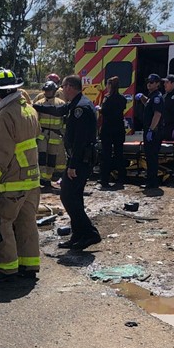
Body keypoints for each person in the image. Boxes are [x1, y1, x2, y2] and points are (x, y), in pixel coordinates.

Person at [0, 68, 42, 284]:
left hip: (13, 181)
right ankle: (29, 265)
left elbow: (3, 154)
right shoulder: (29, 110)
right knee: (27, 223)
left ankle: (6, 269)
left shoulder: (5, 114)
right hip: (32, 180)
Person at [35, 74, 103, 250]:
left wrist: (72, 165)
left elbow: (80, 140)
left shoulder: (80, 108)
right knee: (75, 197)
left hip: (80, 160)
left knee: (67, 196)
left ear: (70, 87)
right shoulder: (77, 104)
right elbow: (59, 111)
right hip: (81, 158)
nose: (61, 90)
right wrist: (34, 106)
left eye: (63, 86)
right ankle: (78, 236)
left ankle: (90, 233)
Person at [135, 74, 165, 191]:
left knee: (152, 157)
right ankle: (150, 181)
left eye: (152, 82)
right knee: (149, 157)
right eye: (148, 82)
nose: (149, 84)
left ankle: (152, 183)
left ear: (157, 84)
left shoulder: (157, 97)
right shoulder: (152, 97)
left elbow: (157, 114)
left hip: (154, 132)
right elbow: (148, 104)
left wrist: (151, 130)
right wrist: (142, 98)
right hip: (150, 130)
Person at [98, 76, 127, 189]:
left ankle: (104, 180)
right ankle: (121, 179)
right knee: (119, 154)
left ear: (110, 86)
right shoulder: (122, 99)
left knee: (106, 155)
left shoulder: (107, 98)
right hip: (119, 129)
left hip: (108, 129)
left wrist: (99, 109)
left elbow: (105, 111)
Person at [36, 80, 66, 189]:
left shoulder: (61, 104)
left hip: (55, 136)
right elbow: (36, 121)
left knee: (52, 159)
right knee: (42, 158)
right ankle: (42, 179)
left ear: (54, 91)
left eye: (50, 91)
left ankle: (48, 179)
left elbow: (64, 122)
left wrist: (63, 134)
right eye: (46, 91)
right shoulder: (39, 104)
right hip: (42, 135)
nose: (48, 92)